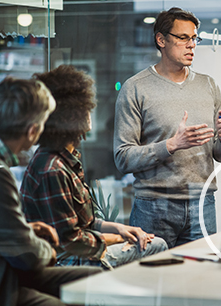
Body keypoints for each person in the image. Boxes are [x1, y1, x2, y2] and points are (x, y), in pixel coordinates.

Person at [0, 77, 101, 306]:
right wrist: (49, 250)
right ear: (32, 131)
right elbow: (26, 255)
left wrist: (26, 229)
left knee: (93, 279)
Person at [21, 65, 167, 270]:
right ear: (71, 116)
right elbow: (72, 241)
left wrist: (121, 228)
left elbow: (84, 224)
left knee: (147, 242)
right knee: (157, 246)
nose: (90, 113)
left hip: (82, 252)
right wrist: (115, 239)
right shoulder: (53, 169)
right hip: (70, 261)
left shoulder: (67, 159)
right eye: (86, 109)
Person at [113, 7, 221, 248]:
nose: (191, 45)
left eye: (194, 38)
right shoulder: (136, 88)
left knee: (200, 279)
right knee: (154, 281)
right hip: (154, 206)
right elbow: (123, 158)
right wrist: (171, 145)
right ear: (161, 40)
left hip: (203, 204)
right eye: (183, 38)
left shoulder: (208, 85)